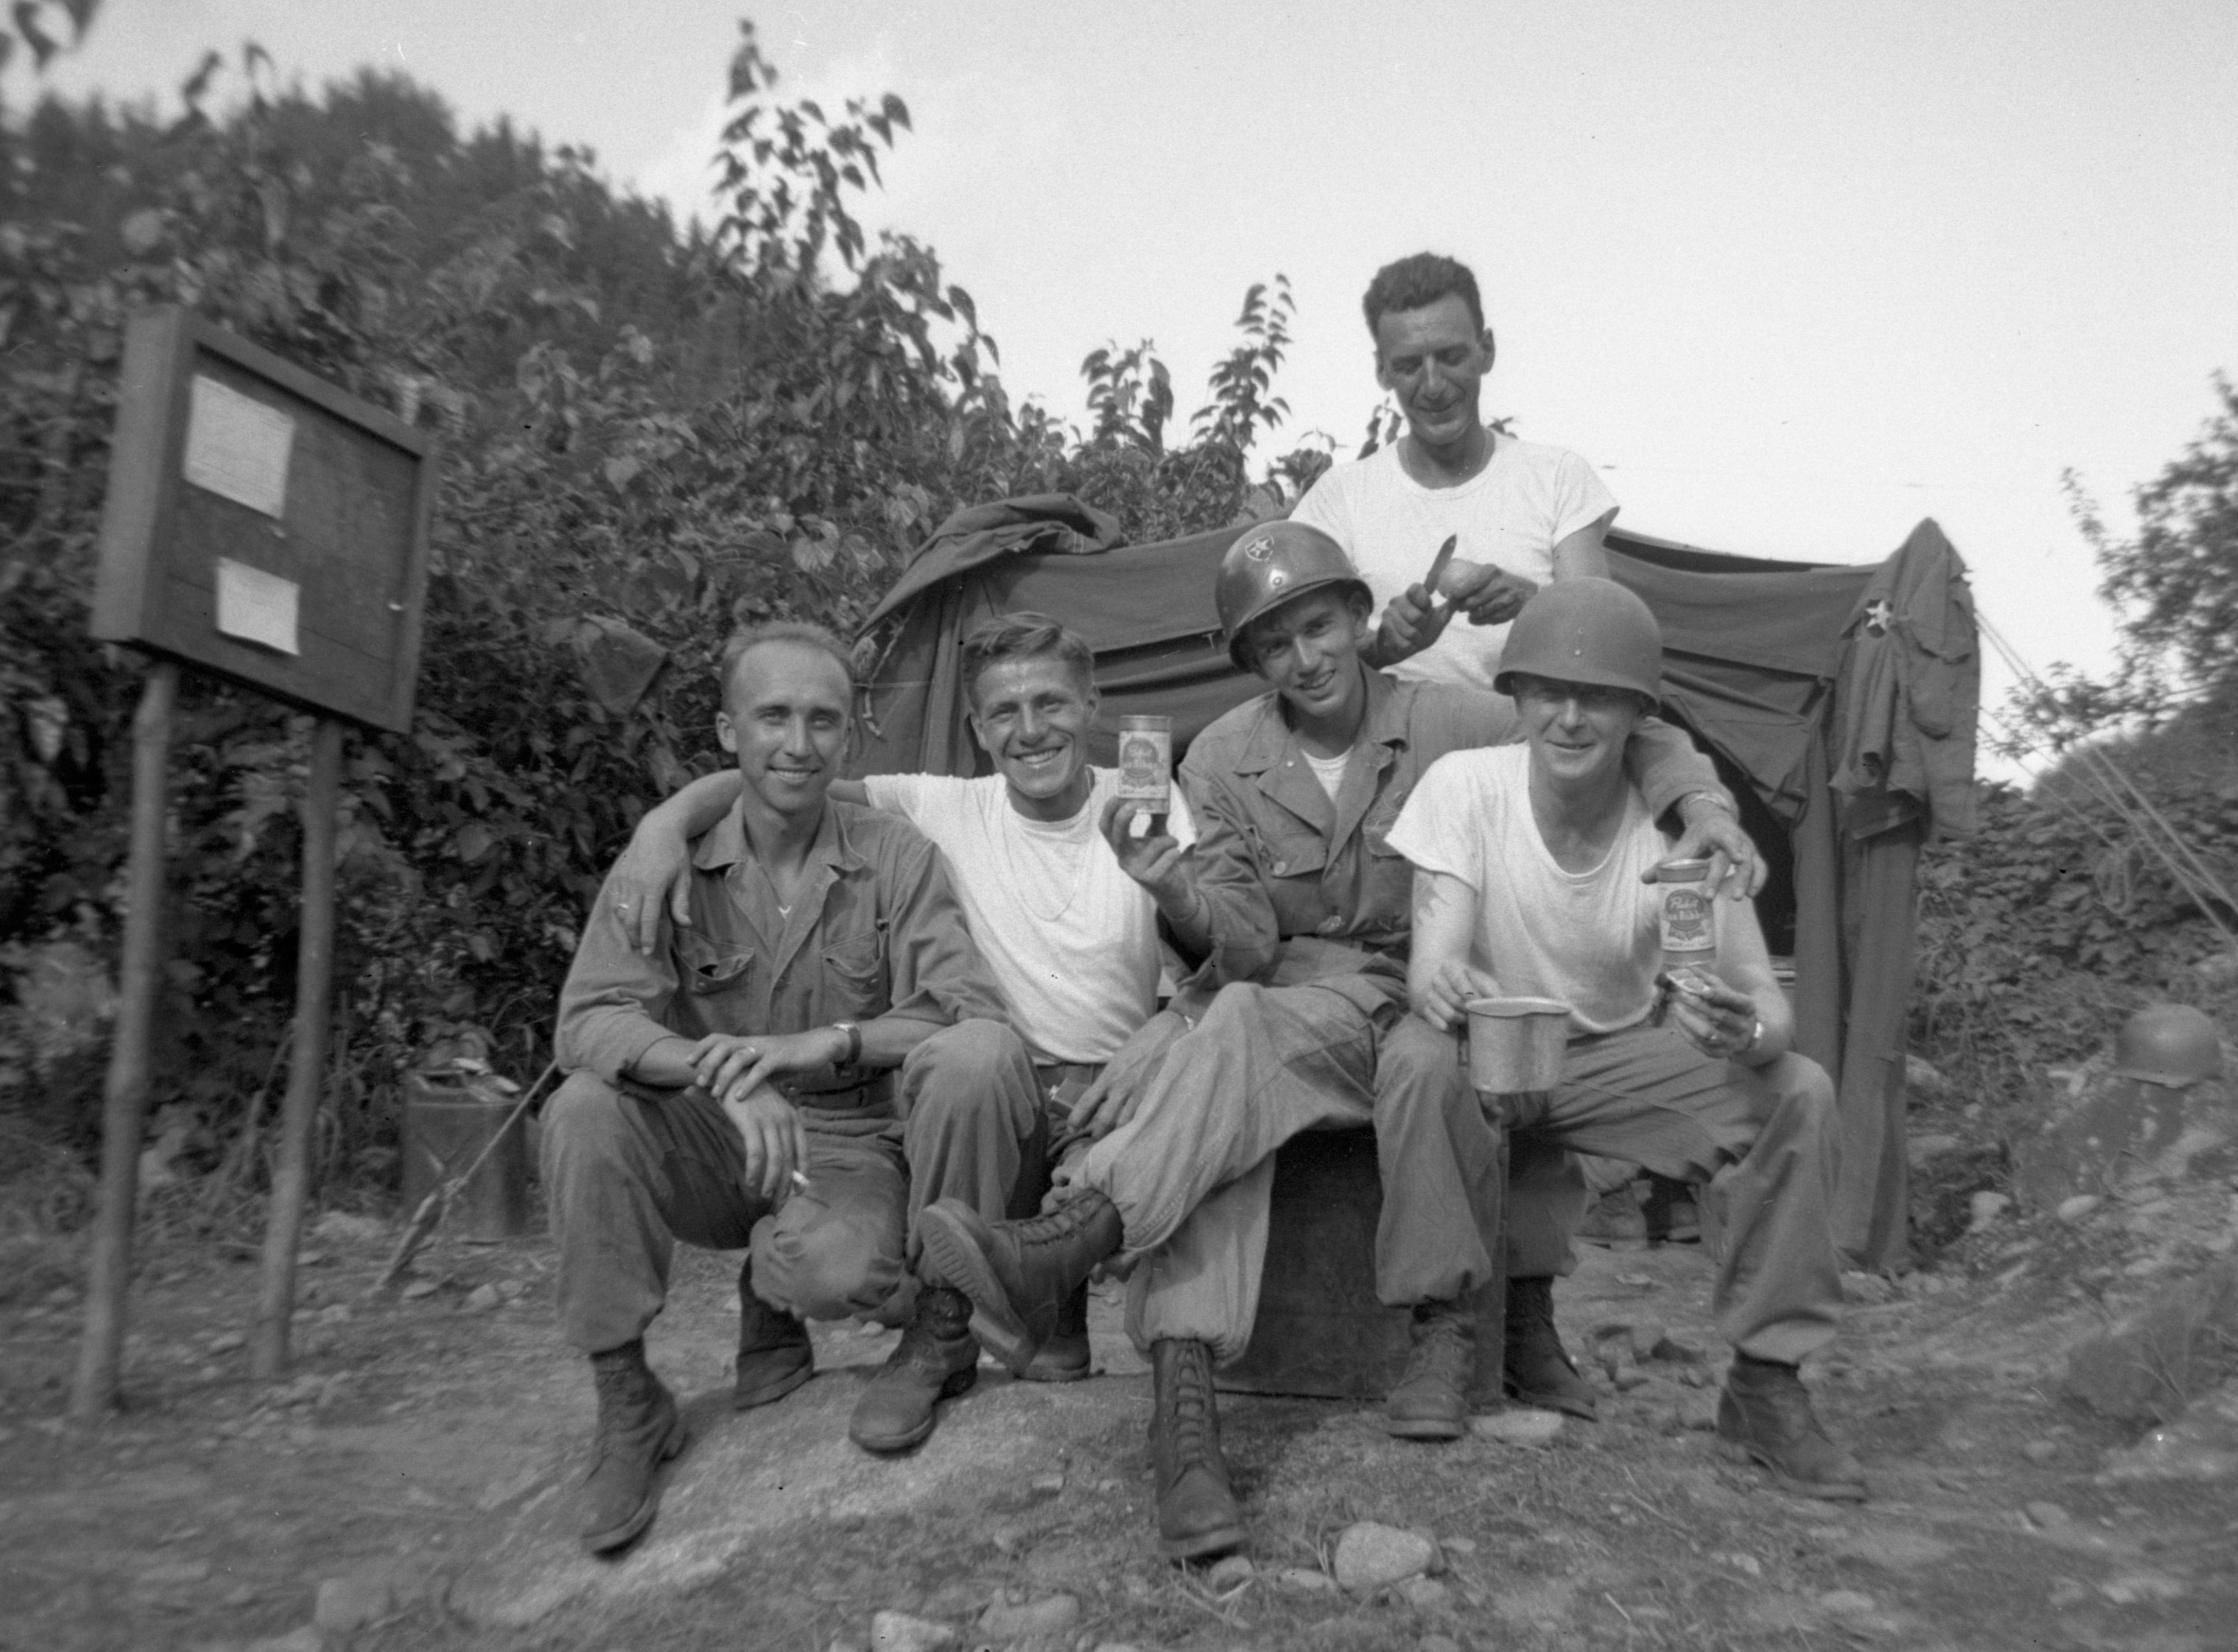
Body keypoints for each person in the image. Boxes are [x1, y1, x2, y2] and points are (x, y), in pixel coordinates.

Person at [913, 522, 1762, 1561]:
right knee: (1228, 1019)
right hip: (1301, 1005)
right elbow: (1245, 938)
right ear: (1250, 662)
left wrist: (1708, 807)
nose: (1304, 660)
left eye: (1318, 627)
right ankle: (1153, 1368)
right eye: (1273, 644)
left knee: (1233, 1029)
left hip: (1434, 994)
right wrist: (1171, 883)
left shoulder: (1451, 718)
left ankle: (1075, 1237)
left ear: (1362, 621)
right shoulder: (1223, 753)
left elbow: (1616, 723)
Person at [604, 612, 1229, 1380]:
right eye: (1005, 711)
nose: (1031, 730)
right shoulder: (947, 807)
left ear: (1091, 707)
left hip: (1113, 1091)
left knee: (1060, 1355)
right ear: (977, 727)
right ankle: (940, 1329)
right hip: (996, 1100)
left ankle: (1078, 1299)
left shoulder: (1143, 799)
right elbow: (784, 776)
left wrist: (1172, 940)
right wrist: (665, 826)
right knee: (972, 1073)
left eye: (1054, 704)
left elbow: (1207, 959)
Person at [545, 622, 1041, 1555]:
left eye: (822, 721)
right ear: (729, 733)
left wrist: (829, 1042)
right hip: (711, 1136)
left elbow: (963, 1011)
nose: (798, 745)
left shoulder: (895, 856)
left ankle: (816, 1309)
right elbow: (591, 1021)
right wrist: (715, 1071)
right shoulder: (667, 861)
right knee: (582, 1109)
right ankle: (628, 1400)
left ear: (851, 737)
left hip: (849, 1144)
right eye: (772, 717)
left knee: (846, 1269)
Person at [1385, 577, 1864, 1500]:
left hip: (1610, 1061)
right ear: (1517, 700)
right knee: (1413, 1051)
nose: (1570, 718)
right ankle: (1446, 1328)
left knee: (1797, 1090)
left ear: (1638, 715)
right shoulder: (1467, 789)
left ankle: (1767, 1384)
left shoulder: (1681, 835)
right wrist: (1448, 987)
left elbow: (1769, 1002)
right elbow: (1429, 966)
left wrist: (1747, 1028)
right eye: (1548, 693)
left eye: (1598, 696)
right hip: (1491, 1045)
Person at [1292, 251, 1617, 693]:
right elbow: (1301, 667)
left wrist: (1534, 604)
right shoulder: (1338, 500)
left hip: (1528, 745)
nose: (1433, 386)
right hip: (1394, 751)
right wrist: (1382, 648)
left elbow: (1608, 639)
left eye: (1450, 357)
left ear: (1487, 351)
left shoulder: (1558, 478)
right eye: (1409, 366)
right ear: (1382, 371)